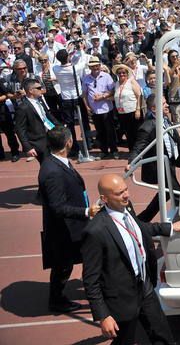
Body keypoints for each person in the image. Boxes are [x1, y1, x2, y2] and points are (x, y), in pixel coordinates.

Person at [81, 174, 180, 345]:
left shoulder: (126, 207)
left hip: (145, 287)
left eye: (126, 189)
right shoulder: (95, 231)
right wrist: (103, 316)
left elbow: (140, 227)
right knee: (125, 340)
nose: (126, 195)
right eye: (119, 193)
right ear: (104, 199)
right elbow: (90, 280)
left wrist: (168, 228)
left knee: (163, 336)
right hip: (122, 298)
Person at [39, 126, 101, 313]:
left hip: (73, 226)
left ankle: (59, 298)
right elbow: (57, 207)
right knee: (65, 265)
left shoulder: (59, 162)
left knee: (67, 264)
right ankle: (57, 301)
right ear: (68, 142)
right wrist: (85, 212)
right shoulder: (52, 171)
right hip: (65, 229)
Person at [127, 94, 180, 222]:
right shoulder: (147, 126)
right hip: (159, 167)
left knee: (166, 193)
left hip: (170, 163)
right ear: (154, 109)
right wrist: (131, 162)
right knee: (179, 195)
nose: (167, 105)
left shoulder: (165, 120)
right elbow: (138, 147)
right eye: (163, 104)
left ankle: (142, 220)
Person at [14, 78, 60, 163]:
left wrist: (60, 128)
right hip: (38, 143)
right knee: (47, 165)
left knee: (55, 163)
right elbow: (20, 129)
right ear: (31, 91)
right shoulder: (23, 108)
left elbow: (48, 116)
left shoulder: (40, 101)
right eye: (38, 88)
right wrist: (28, 147)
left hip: (50, 138)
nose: (41, 90)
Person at [82, 55, 118, 159]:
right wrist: (87, 107)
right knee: (100, 131)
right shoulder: (86, 79)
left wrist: (103, 96)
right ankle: (104, 151)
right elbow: (84, 94)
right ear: (90, 68)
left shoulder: (106, 76)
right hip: (94, 110)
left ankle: (114, 150)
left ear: (99, 65)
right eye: (93, 66)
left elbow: (112, 90)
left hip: (106, 108)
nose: (95, 68)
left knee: (110, 131)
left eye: (97, 66)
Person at [112, 63, 143, 151]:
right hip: (122, 113)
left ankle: (139, 152)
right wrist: (102, 97)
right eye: (119, 73)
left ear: (127, 73)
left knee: (136, 133)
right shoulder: (117, 84)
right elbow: (114, 95)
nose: (121, 74)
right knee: (128, 133)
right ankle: (132, 151)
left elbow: (139, 95)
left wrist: (138, 109)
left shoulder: (131, 81)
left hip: (132, 111)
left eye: (123, 73)